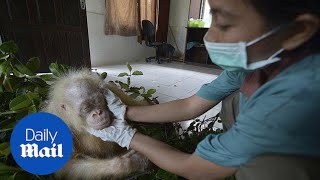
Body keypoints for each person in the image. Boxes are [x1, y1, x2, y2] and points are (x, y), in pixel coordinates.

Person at [88, 0, 320, 179]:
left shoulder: (293, 98)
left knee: (268, 168)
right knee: (232, 97)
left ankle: (244, 155)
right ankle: (238, 145)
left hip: (283, 136)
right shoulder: (258, 60)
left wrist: (127, 136)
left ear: (297, 31)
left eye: (225, 24)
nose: (210, 36)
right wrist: (125, 111)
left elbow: (194, 168)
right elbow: (191, 105)